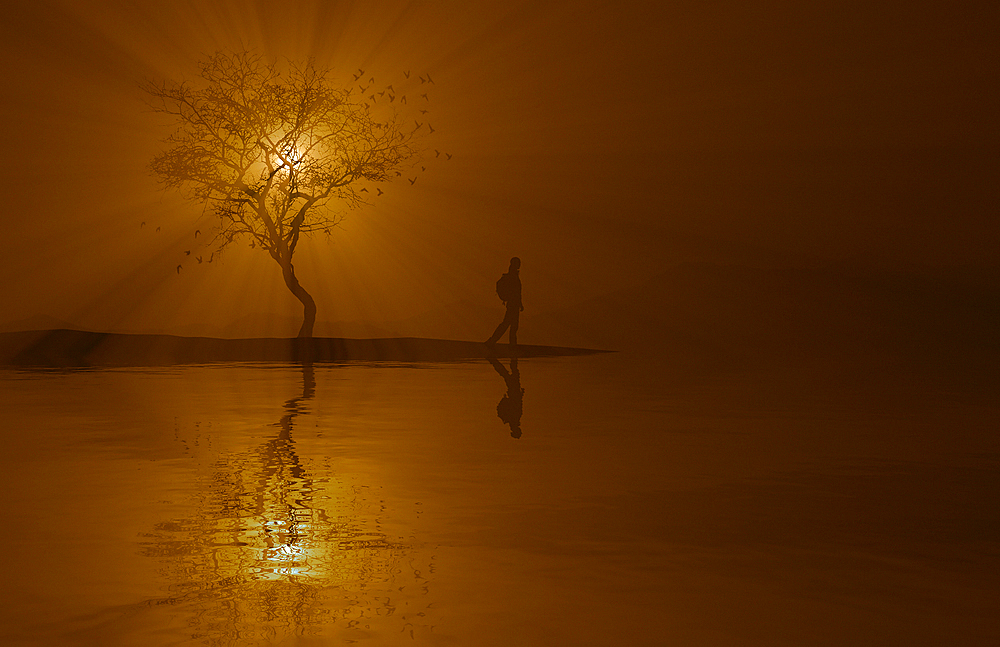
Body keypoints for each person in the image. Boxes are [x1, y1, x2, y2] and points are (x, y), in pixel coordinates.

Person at [486, 257, 522, 346]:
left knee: (511, 325)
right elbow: (515, 291)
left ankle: (510, 344)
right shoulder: (513, 275)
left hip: (514, 304)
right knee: (508, 324)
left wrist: (520, 304)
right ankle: (493, 341)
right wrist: (519, 303)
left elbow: (517, 291)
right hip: (513, 304)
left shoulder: (513, 274)